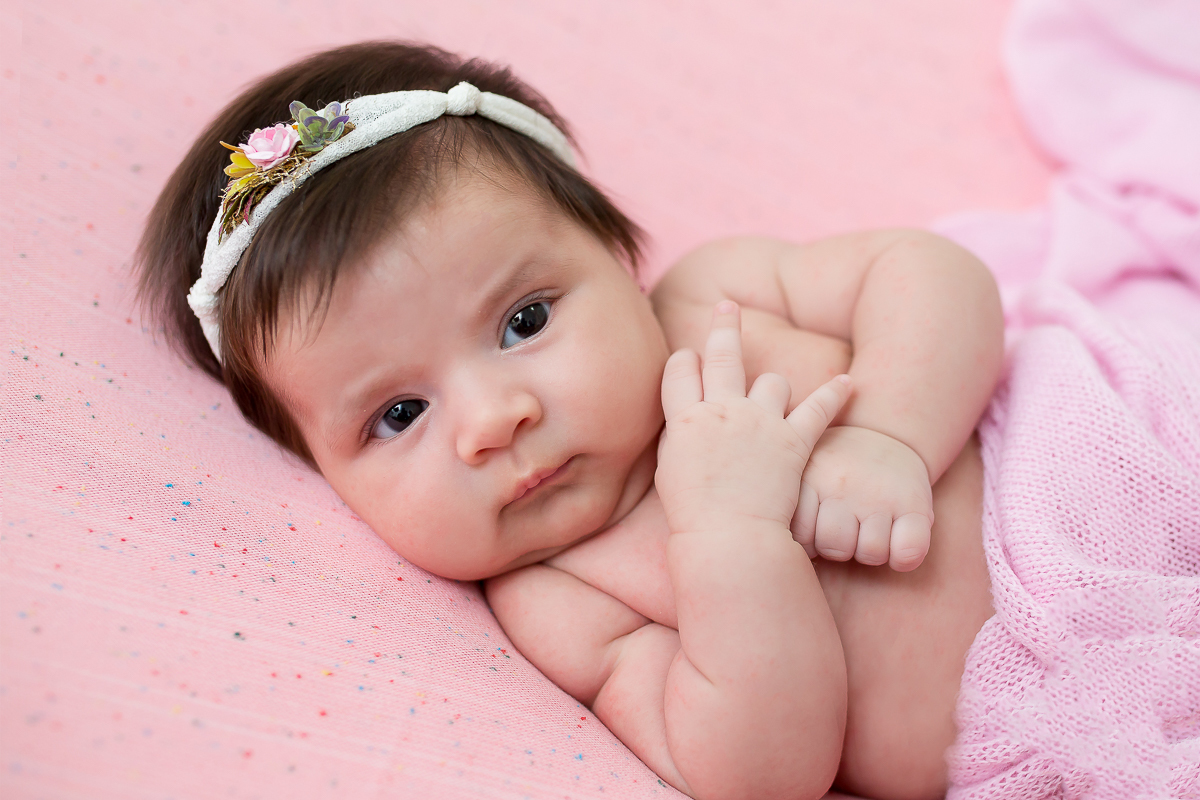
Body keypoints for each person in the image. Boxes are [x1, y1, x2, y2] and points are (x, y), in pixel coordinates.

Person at [137, 41, 1003, 800]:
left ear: (619, 258)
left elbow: (925, 272)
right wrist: (732, 539)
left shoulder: (713, 302)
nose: (494, 420)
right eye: (399, 415)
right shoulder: (561, 601)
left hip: (1056, 473)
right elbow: (761, 776)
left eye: (525, 322)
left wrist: (889, 434)